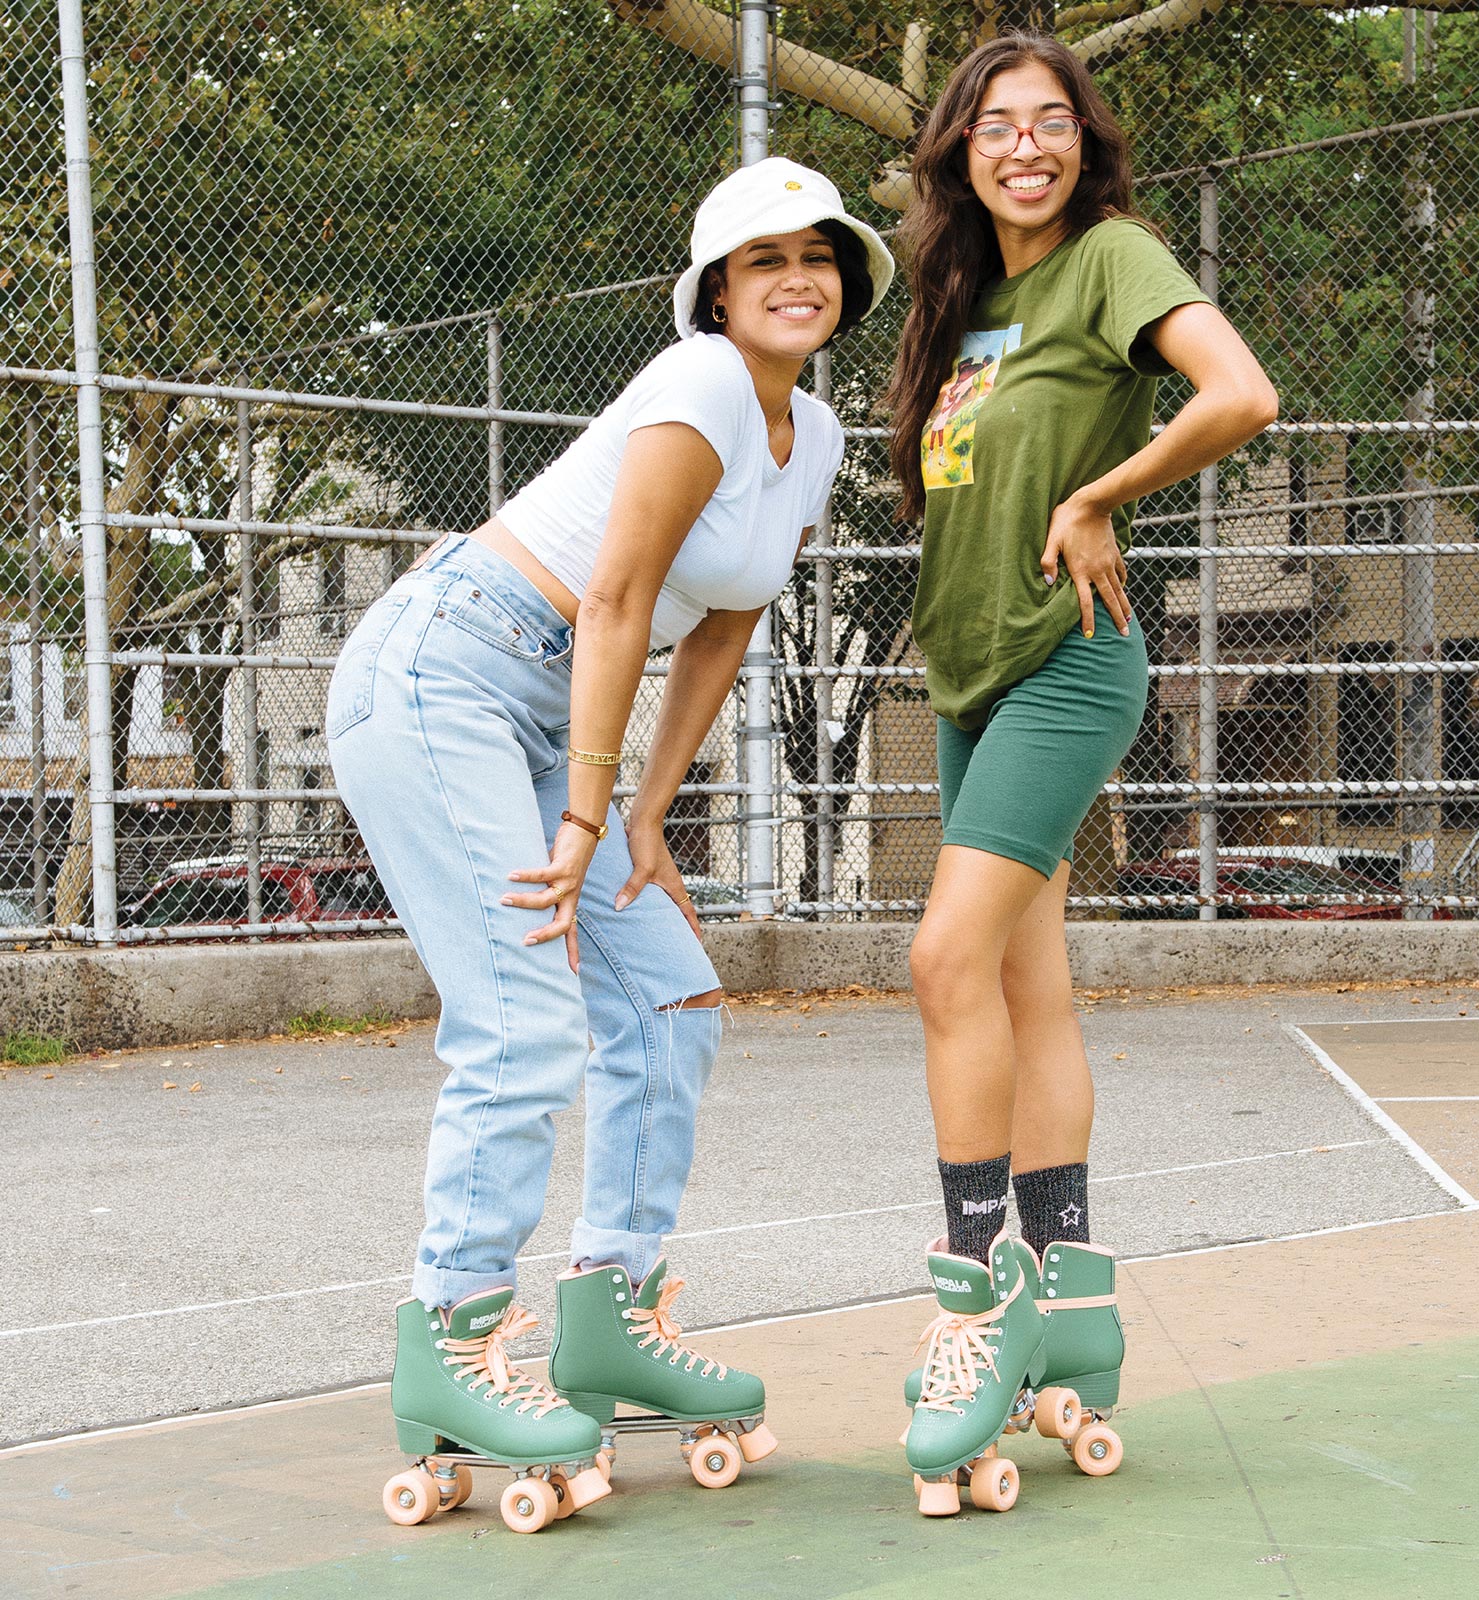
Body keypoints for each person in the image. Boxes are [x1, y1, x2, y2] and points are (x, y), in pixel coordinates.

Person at [328, 157, 893, 1531]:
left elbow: (727, 622)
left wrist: (646, 813)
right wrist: (587, 809)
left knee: (671, 994)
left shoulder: (809, 435)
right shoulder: (698, 382)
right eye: (765, 260)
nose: (799, 277)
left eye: (820, 255)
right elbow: (621, 590)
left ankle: (608, 1320)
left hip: (547, 714)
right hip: (447, 672)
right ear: (715, 290)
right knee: (521, 1008)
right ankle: (452, 1340)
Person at [882, 33, 1278, 1516]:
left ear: (1084, 145)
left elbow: (1241, 394)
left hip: (1070, 660)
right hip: (976, 679)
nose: (1026, 145)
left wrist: (1107, 492)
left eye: (1053, 122)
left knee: (939, 963)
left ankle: (977, 1306)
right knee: (1024, 991)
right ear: (961, 152)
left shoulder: (1114, 256)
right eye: (997, 126)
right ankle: (1076, 1306)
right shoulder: (965, 302)